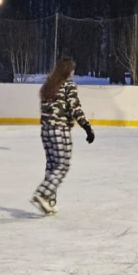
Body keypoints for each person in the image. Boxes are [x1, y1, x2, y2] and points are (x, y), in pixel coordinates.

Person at [32, 58, 95, 215]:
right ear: (68, 71)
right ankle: (43, 193)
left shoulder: (48, 85)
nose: (73, 72)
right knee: (62, 165)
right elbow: (75, 108)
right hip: (60, 130)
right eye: (72, 69)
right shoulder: (68, 85)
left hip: (46, 130)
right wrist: (87, 127)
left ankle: (49, 201)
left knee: (52, 164)